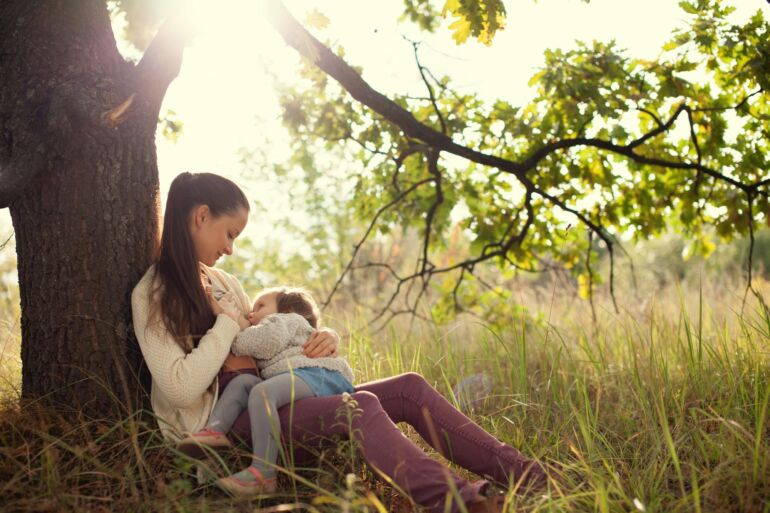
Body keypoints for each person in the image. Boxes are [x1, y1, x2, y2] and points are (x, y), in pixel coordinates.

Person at [131, 172, 549, 513]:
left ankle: (529, 477)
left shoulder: (224, 282)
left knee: (408, 387)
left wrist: (320, 333)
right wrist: (223, 327)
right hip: (232, 426)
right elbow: (181, 388)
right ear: (201, 215)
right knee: (359, 406)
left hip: (276, 398)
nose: (231, 248)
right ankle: (460, 502)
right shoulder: (153, 293)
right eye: (229, 233)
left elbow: (267, 333)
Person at [177, 286, 355, 495]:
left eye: (260, 306)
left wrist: (230, 324)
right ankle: (215, 430)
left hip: (319, 374)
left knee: (262, 393)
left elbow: (264, 341)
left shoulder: (284, 321)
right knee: (244, 382)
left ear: (287, 311)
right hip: (298, 376)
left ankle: (264, 474)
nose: (252, 313)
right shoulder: (277, 329)